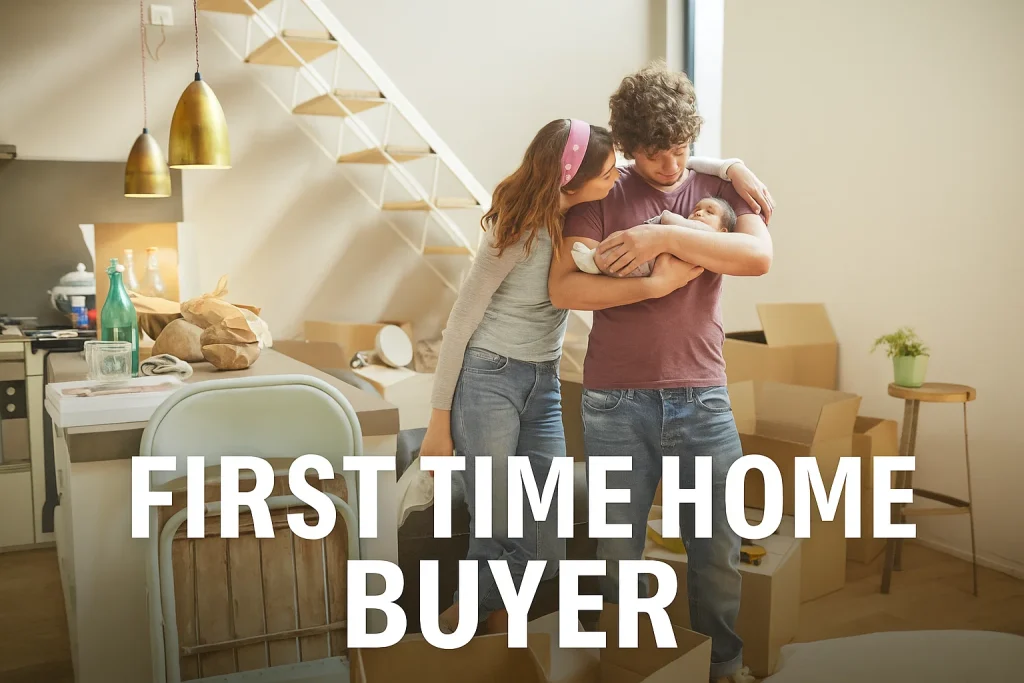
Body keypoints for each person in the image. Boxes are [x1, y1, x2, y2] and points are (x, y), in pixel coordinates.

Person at [419, 117, 772, 636]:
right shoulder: (528, 223)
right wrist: (437, 422)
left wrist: (728, 168)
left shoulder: (600, 209)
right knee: (497, 529)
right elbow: (468, 322)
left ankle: (463, 628)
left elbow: (749, 250)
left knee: (545, 537)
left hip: (546, 380)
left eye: (681, 151)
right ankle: (453, 637)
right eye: (613, 170)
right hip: (491, 374)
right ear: (575, 177)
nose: (624, 177)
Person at [548, 62, 774, 683]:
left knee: (717, 549)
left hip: (703, 396)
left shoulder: (723, 191)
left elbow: (757, 256)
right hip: (616, 401)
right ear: (627, 148)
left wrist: (657, 238)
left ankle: (722, 665)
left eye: (680, 151)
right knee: (619, 548)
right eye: (654, 157)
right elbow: (566, 289)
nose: (671, 168)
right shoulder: (603, 192)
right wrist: (659, 274)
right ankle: (627, 662)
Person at [571, 196, 737, 276]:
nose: (699, 212)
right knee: (619, 239)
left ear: (722, 232)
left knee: (622, 258)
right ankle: (595, 258)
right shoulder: (690, 231)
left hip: (647, 265)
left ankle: (596, 262)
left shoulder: (710, 236)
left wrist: (667, 217)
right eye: (696, 209)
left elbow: (669, 219)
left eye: (709, 212)